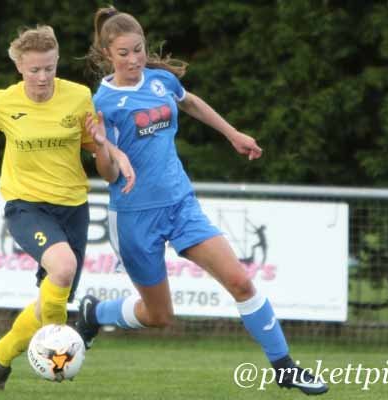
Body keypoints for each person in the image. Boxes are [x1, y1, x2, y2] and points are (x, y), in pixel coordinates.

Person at [75, 7, 328, 396]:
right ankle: (96, 313)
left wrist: (232, 133)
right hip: (133, 216)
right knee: (159, 316)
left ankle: (285, 368)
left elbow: (189, 102)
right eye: (123, 53)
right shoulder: (103, 103)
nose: (134, 59)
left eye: (138, 50)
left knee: (241, 282)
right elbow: (108, 175)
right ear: (106, 54)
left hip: (180, 205)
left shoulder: (160, 80)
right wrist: (100, 148)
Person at [0, 25, 134, 391]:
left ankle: (2, 352)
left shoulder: (78, 97)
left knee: (51, 297)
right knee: (64, 266)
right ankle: (58, 354)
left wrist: (103, 146)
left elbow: (106, 172)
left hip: (73, 207)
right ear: (20, 69)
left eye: (49, 68)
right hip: (25, 205)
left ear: (57, 63)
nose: (42, 77)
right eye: (34, 70)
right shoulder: (2, 102)